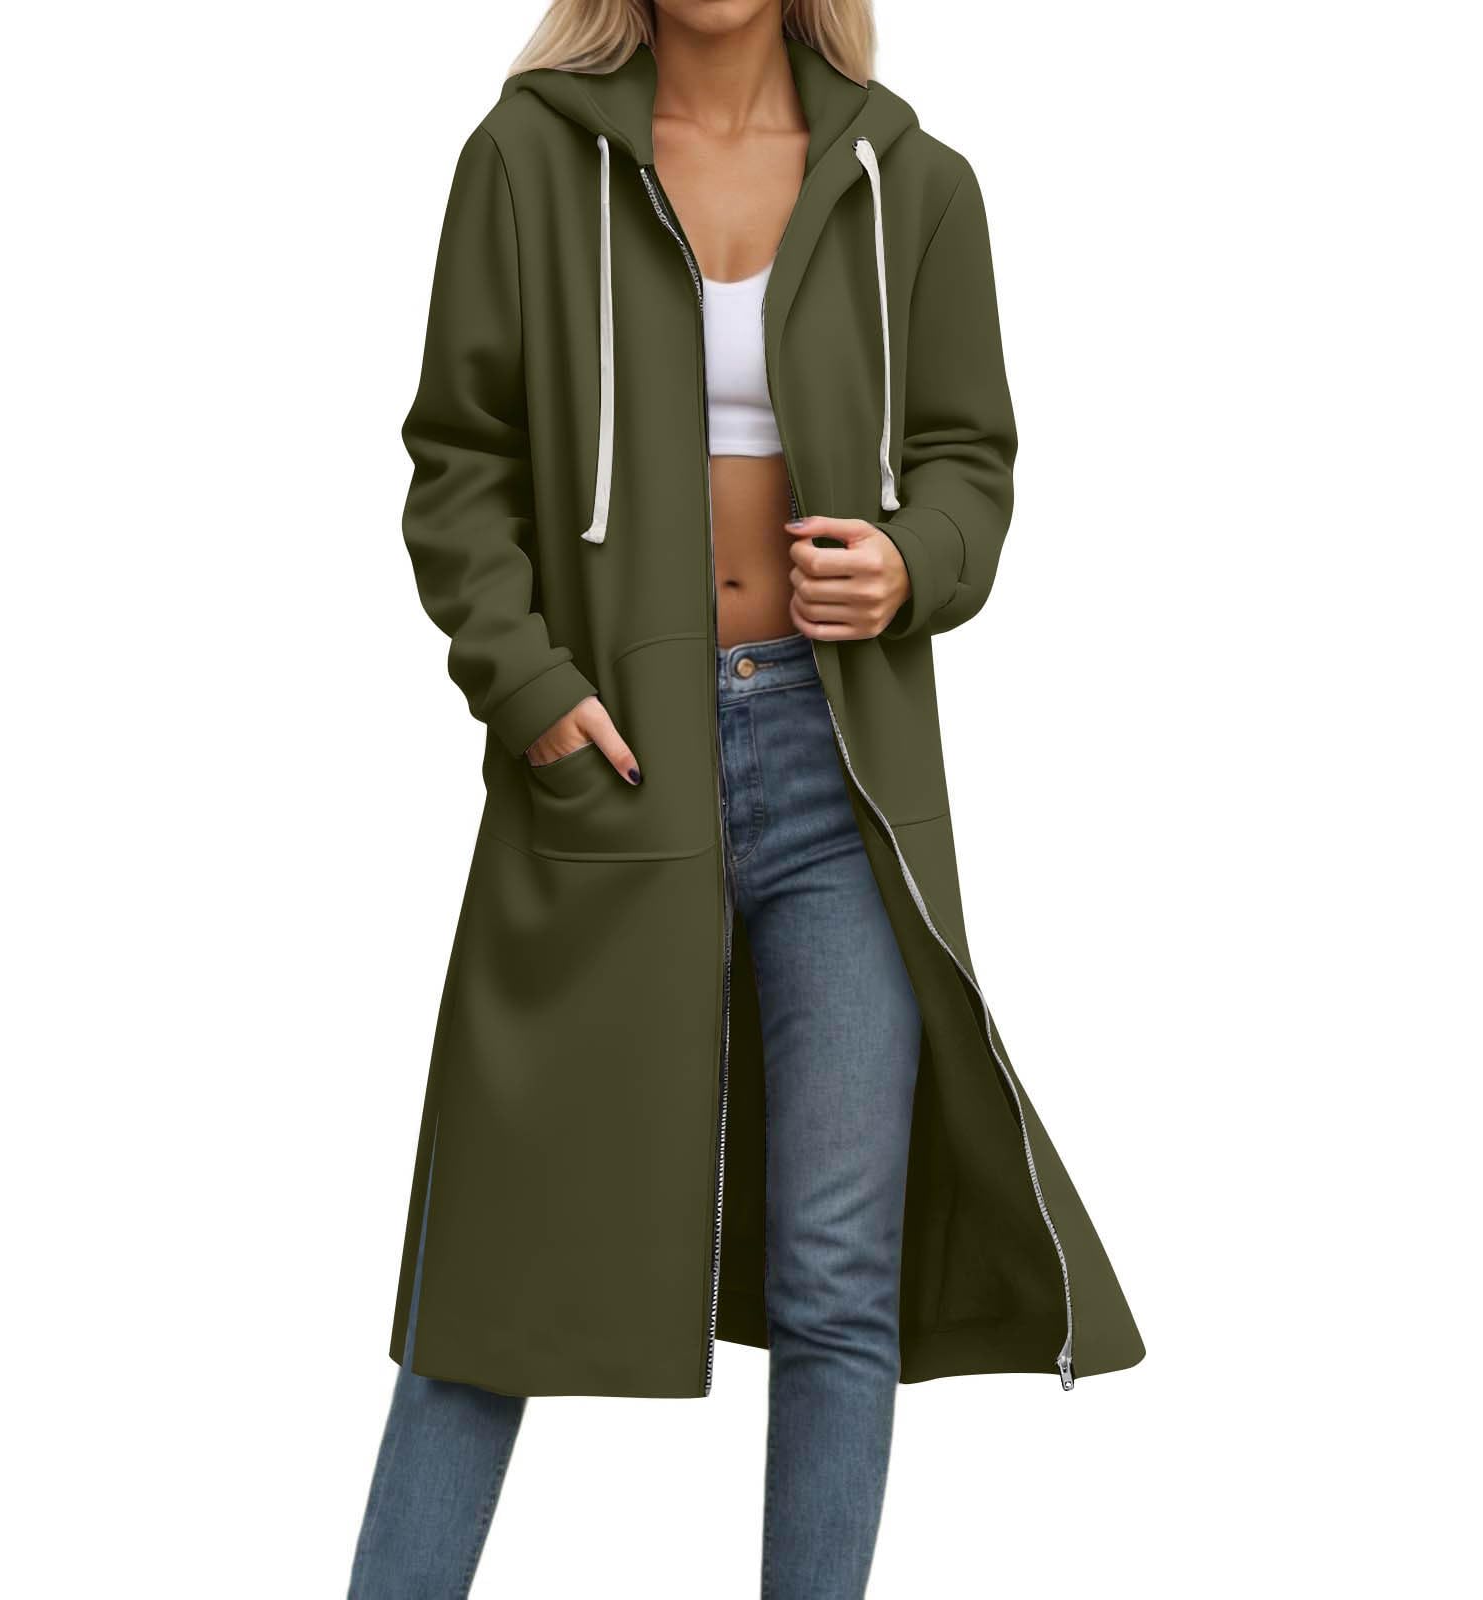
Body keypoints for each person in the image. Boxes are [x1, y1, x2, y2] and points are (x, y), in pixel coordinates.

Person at [349, 2, 1143, 1594]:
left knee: (840, 1278)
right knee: (498, 1273)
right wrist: (531, 692)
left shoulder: (913, 180)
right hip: (609, 766)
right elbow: (459, 465)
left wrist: (913, 562)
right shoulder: (524, 161)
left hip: (842, 772)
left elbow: (970, 461)